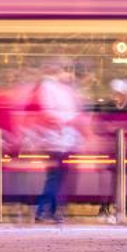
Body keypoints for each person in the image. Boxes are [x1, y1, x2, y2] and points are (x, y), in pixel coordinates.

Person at [27, 67, 82, 224]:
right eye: (67, 71)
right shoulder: (48, 88)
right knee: (55, 177)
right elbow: (49, 112)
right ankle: (44, 211)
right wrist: (67, 119)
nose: (69, 74)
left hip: (60, 140)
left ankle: (51, 211)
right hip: (56, 140)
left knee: (57, 177)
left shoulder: (55, 88)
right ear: (58, 71)